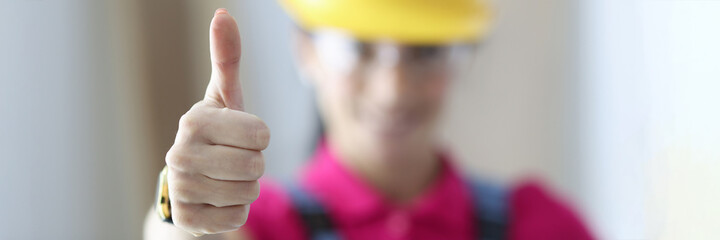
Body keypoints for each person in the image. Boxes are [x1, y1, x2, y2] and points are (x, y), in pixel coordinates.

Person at [144, 1, 595, 239]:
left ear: (466, 56)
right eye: (357, 48)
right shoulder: (255, 227)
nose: (393, 89)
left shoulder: (541, 226)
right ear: (305, 49)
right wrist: (178, 206)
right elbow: (183, 236)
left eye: (426, 51)